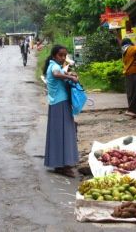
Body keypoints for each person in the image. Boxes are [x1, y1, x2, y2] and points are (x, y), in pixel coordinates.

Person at [43, 45, 79, 178]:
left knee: (59, 134)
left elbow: (60, 73)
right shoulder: (54, 66)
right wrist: (71, 78)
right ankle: (65, 165)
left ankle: (60, 163)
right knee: (65, 134)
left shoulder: (54, 65)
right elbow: (56, 74)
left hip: (57, 103)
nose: (63, 58)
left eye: (65, 55)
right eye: (60, 55)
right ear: (54, 56)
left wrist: (68, 74)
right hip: (60, 103)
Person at [121, 37, 136, 118]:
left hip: (129, 73)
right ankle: (132, 110)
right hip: (135, 73)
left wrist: (135, 60)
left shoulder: (124, 49)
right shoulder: (131, 47)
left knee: (131, 92)